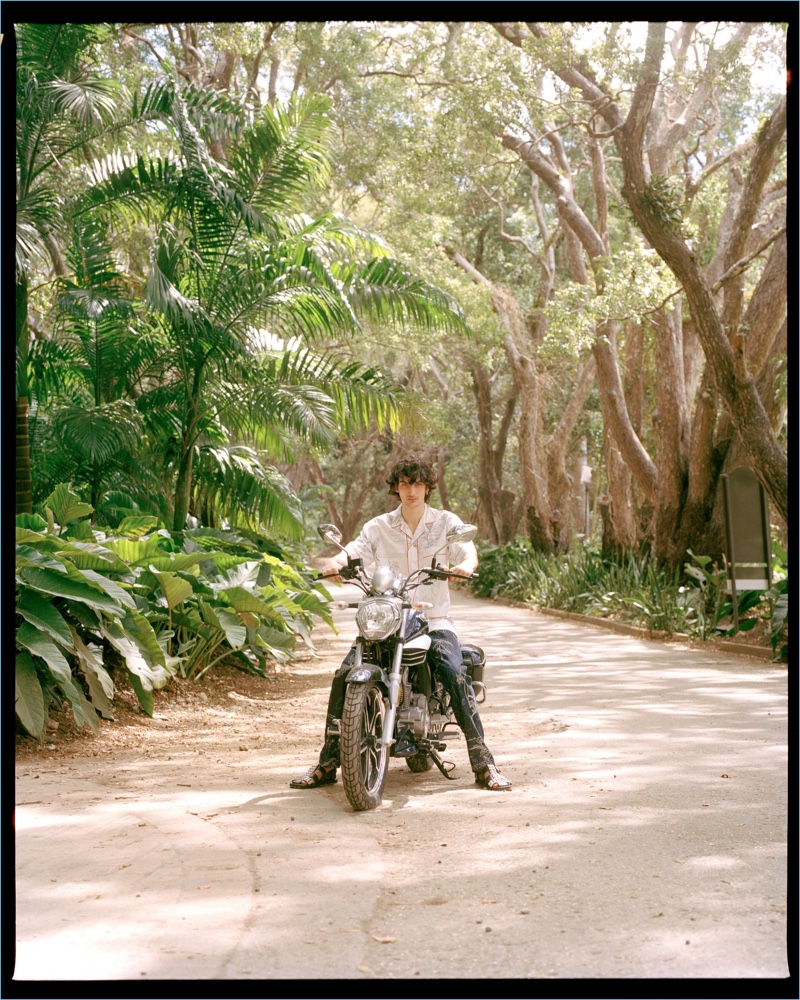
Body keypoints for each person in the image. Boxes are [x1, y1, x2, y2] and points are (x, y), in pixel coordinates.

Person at [290, 457, 512, 792]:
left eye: (418, 484)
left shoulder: (445, 522)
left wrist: (465, 564)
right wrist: (335, 564)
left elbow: (467, 551)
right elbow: (351, 553)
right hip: (388, 618)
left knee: (453, 671)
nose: (411, 491)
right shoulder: (378, 527)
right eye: (405, 484)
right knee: (343, 674)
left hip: (433, 619)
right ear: (396, 487)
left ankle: (485, 764)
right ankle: (328, 762)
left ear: (427, 487)